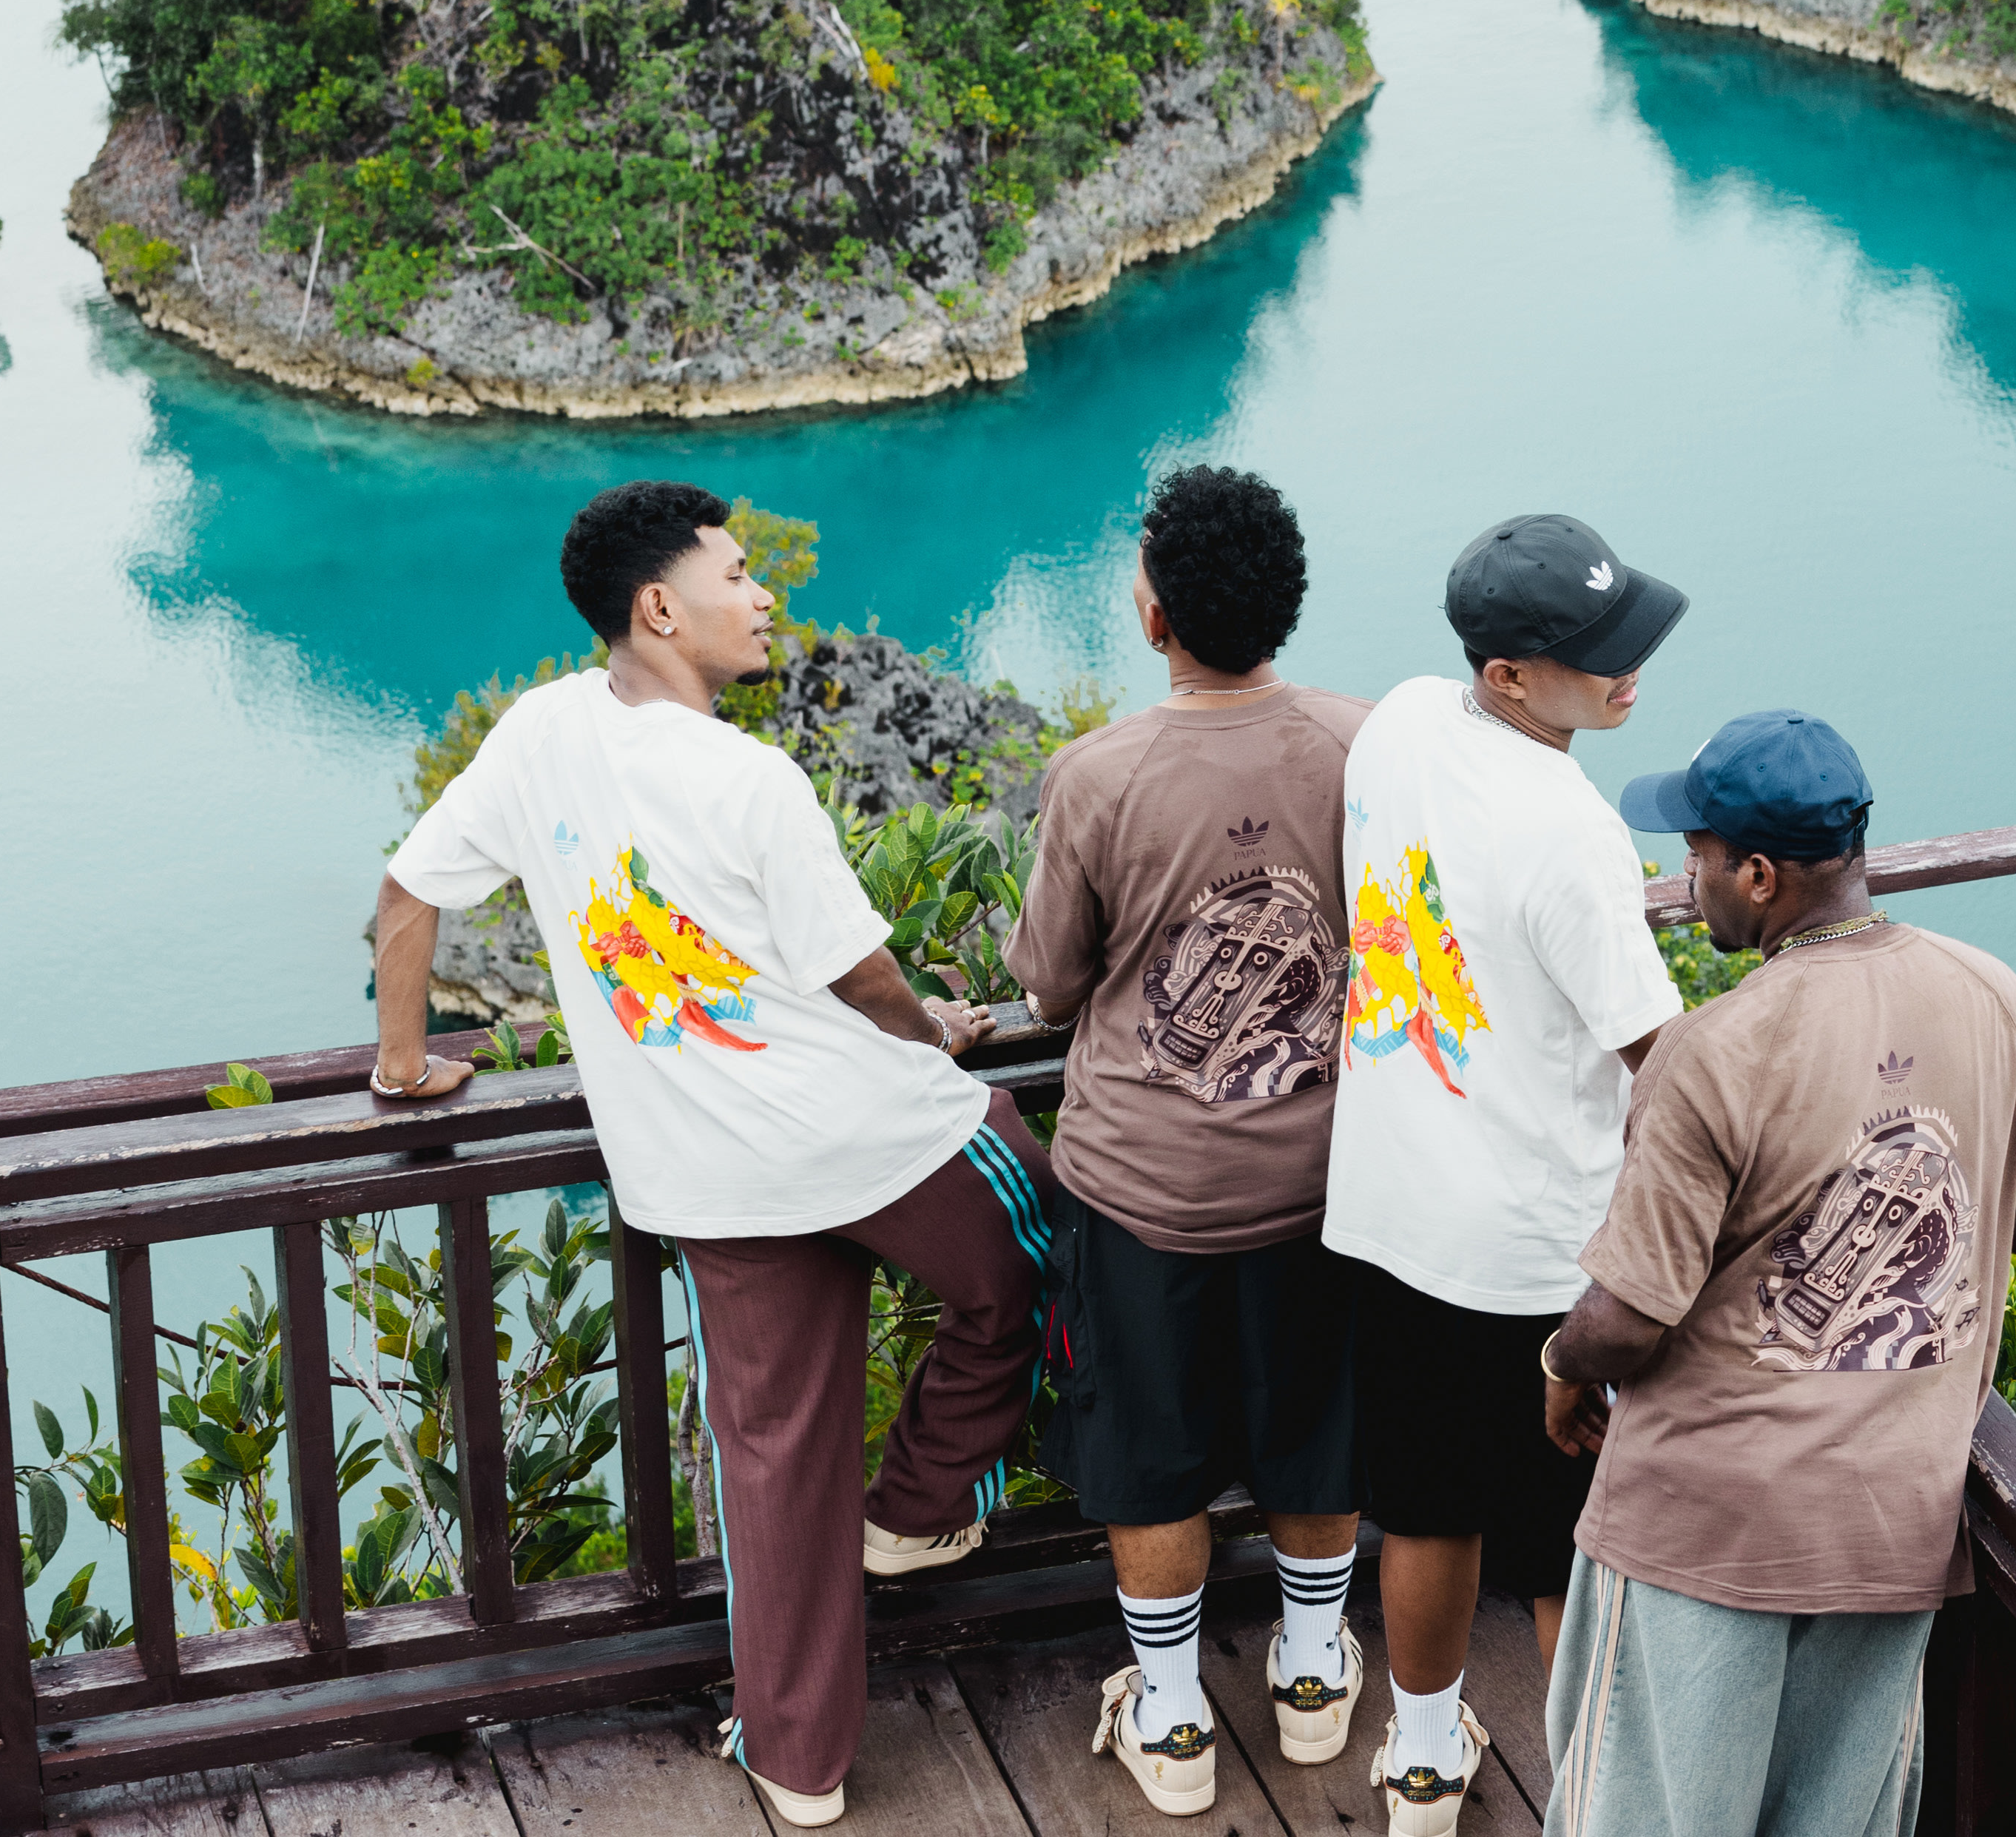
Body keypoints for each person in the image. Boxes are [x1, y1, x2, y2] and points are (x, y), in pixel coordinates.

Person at [371, 480, 1058, 1830]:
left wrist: (401, 1066)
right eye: (738, 575)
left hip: (707, 1171)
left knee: (775, 1455)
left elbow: (405, 897)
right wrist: (945, 1027)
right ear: (660, 607)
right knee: (1040, 1250)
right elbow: (862, 980)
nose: (762, 596)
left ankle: (799, 1765)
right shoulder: (750, 776)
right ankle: (919, 1504)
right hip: (871, 1138)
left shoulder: (543, 733)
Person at [1535, 710, 2016, 1836]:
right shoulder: (1992, 993)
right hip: (1891, 1523)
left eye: (1695, 857)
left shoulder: (1717, 1048)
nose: (1683, 877)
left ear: (1757, 877)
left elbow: (1630, 1322)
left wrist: (1561, 1359)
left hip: (1705, 1530)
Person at [1005, 466, 1376, 1818]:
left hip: (1143, 1187)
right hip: (1326, 1177)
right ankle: (1317, 1667)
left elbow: (1047, 985)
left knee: (1148, 1452)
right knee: (1316, 1430)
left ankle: (1170, 1718)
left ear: (1154, 617)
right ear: (1285, 606)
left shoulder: (1099, 775)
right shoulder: (1361, 746)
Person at [1324, 513, 1690, 1836]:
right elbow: (1666, 1056)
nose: (1629, 669)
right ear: (1510, 680)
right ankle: (1593, 1790)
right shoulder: (1573, 832)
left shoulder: (1406, 725)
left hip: (1391, 1205)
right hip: (1540, 1245)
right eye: (1597, 655)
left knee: (1422, 1509)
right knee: (1560, 1546)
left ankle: (1422, 1765)